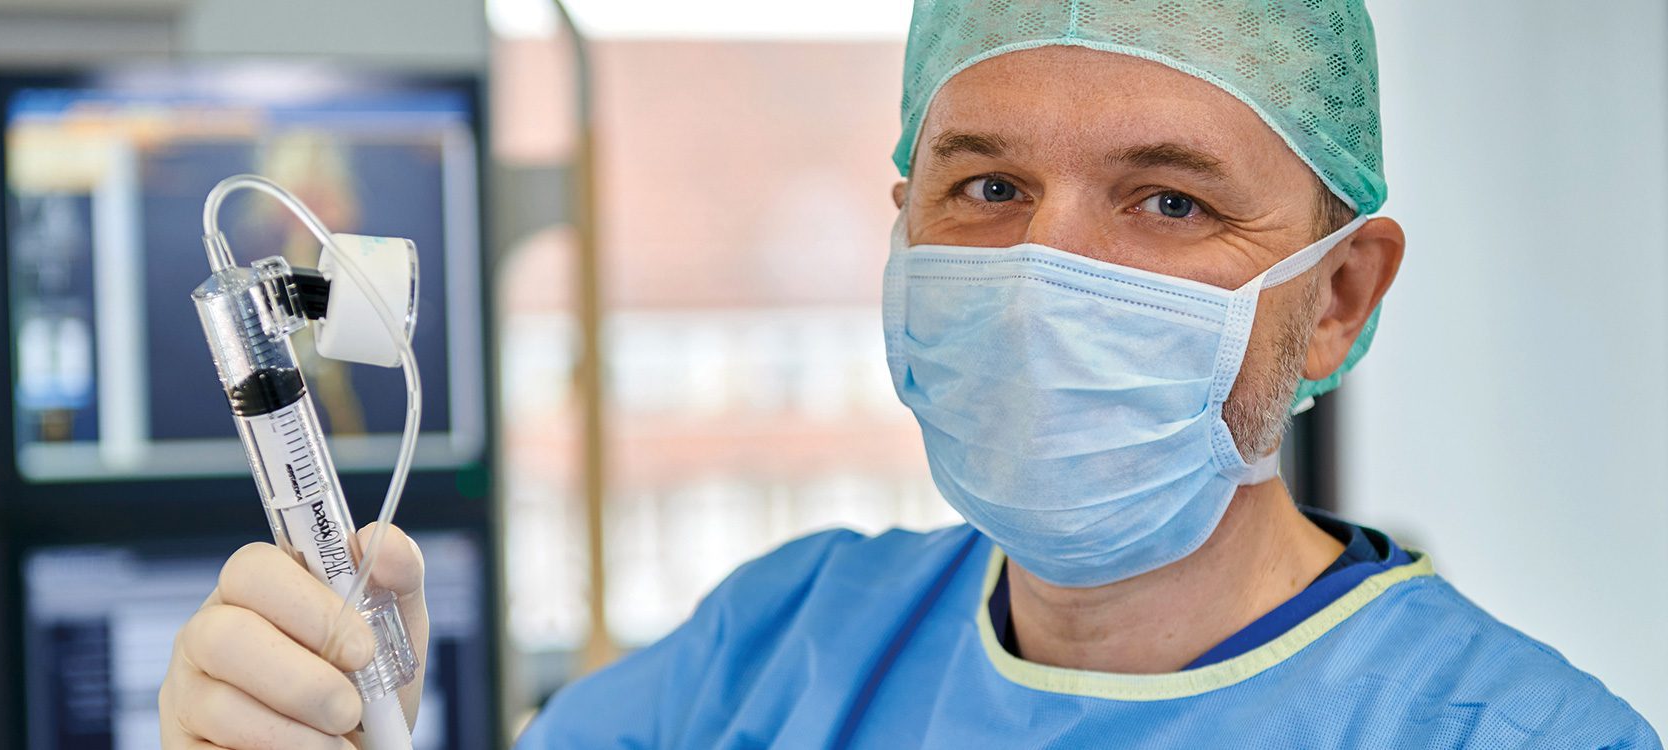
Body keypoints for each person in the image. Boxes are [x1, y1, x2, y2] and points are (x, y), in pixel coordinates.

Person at [159, 1, 1663, 747]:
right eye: (989, 190)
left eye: (1170, 200)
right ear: (904, 229)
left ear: (1334, 300)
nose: (1037, 276)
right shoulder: (772, 663)